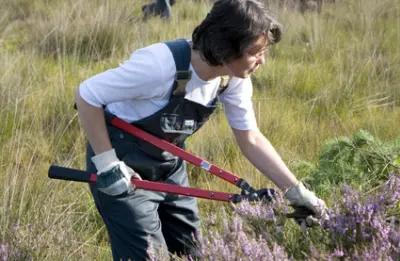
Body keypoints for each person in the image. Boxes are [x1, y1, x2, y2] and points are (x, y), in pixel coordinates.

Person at [75, 0, 327, 260]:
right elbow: (87, 95)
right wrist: (107, 164)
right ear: (226, 46)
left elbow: (250, 138)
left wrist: (295, 191)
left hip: (169, 167)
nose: (262, 60)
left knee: (196, 252)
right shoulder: (159, 65)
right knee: (148, 255)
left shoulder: (232, 78)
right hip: (122, 166)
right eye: (255, 51)